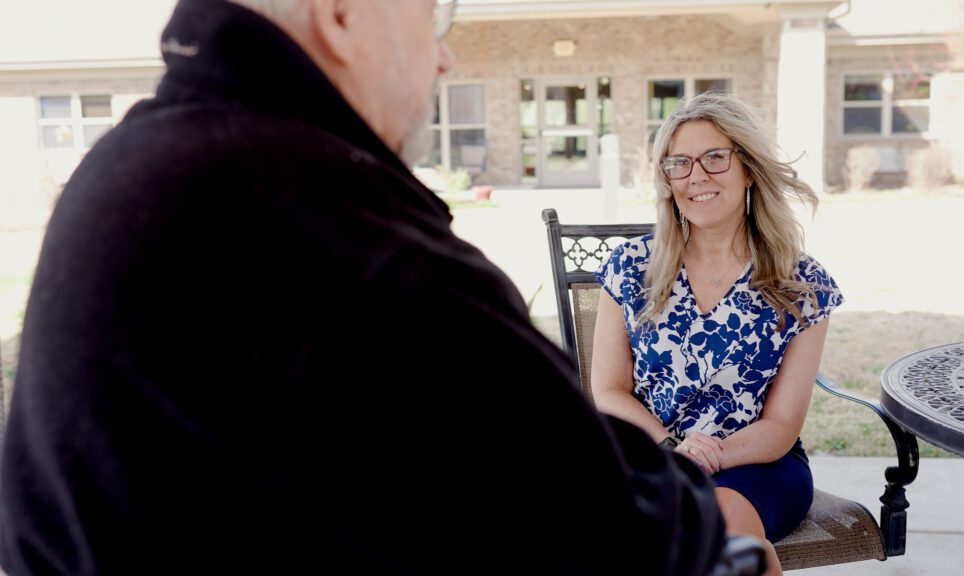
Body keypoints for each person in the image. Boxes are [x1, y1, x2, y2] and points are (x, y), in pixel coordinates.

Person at [0, 1, 729, 574]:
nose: (444, 56)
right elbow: (614, 530)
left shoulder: (135, 157)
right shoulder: (321, 214)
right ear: (342, 11)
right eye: (431, 13)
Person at [592, 91, 842, 575]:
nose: (696, 176)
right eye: (679, 164)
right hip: (653, 454)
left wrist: (711, 455)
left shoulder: (802, 285)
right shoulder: (630, 268)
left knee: (721, 534)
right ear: (667, 181)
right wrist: (672, 449)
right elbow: (608, 390)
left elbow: (782, 425)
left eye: (714, 158)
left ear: (748, 169)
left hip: (757, 465)